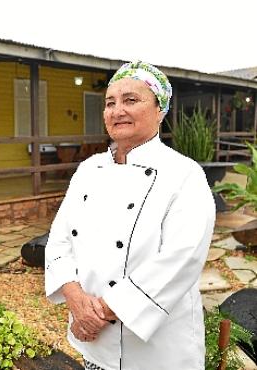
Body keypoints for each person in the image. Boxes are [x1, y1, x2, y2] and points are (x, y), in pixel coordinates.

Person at [45, 61, 215, 370]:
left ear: (160, 110)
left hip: (157, 352)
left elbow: (181, 259)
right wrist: (74, 299)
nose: (117, 110)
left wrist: (101, 312)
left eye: (131, 100)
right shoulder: (88, 169)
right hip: (95, 344)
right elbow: (59, 241)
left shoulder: (184, 174)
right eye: (110, 103)